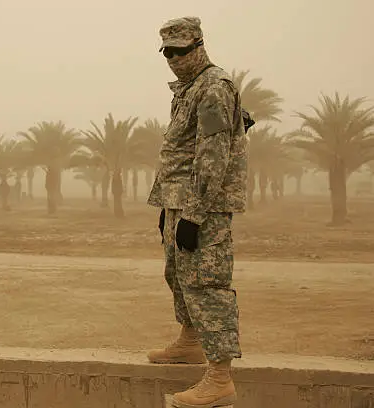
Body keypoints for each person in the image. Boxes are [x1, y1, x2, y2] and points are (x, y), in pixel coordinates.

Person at [146, 16, 248, 408]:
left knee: (208, 285)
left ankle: (220, 378)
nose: (173, 58)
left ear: (200, 46)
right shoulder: (189, 89)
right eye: (167, 52)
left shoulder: (214, 87)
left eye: (181, 51)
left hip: (203, 207)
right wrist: (169, 206)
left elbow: (213, 155)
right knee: (177, 275)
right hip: (179, 200)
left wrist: (195, 213)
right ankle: (190, 342)